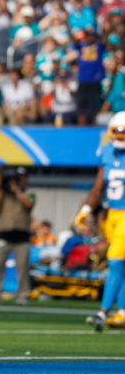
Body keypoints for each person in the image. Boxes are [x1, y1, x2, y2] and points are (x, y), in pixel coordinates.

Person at [76, 112, 125, 330]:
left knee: (114, 261)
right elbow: (98, 186)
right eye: (118, 133)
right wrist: (87, 209)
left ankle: (102, 313)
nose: (121, 138)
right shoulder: (106, 152)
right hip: (112, 215)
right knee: (121, 265)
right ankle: (122, 312)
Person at [0, 167, 35, 305]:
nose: (19, 181)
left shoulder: (30, 193)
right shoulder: (1, 193)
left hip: (22, 236)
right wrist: (0, 189)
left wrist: (16, 191)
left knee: (22, 268)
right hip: (2, 234)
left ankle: (22, 294)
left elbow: (28, 205)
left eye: (21, 178)